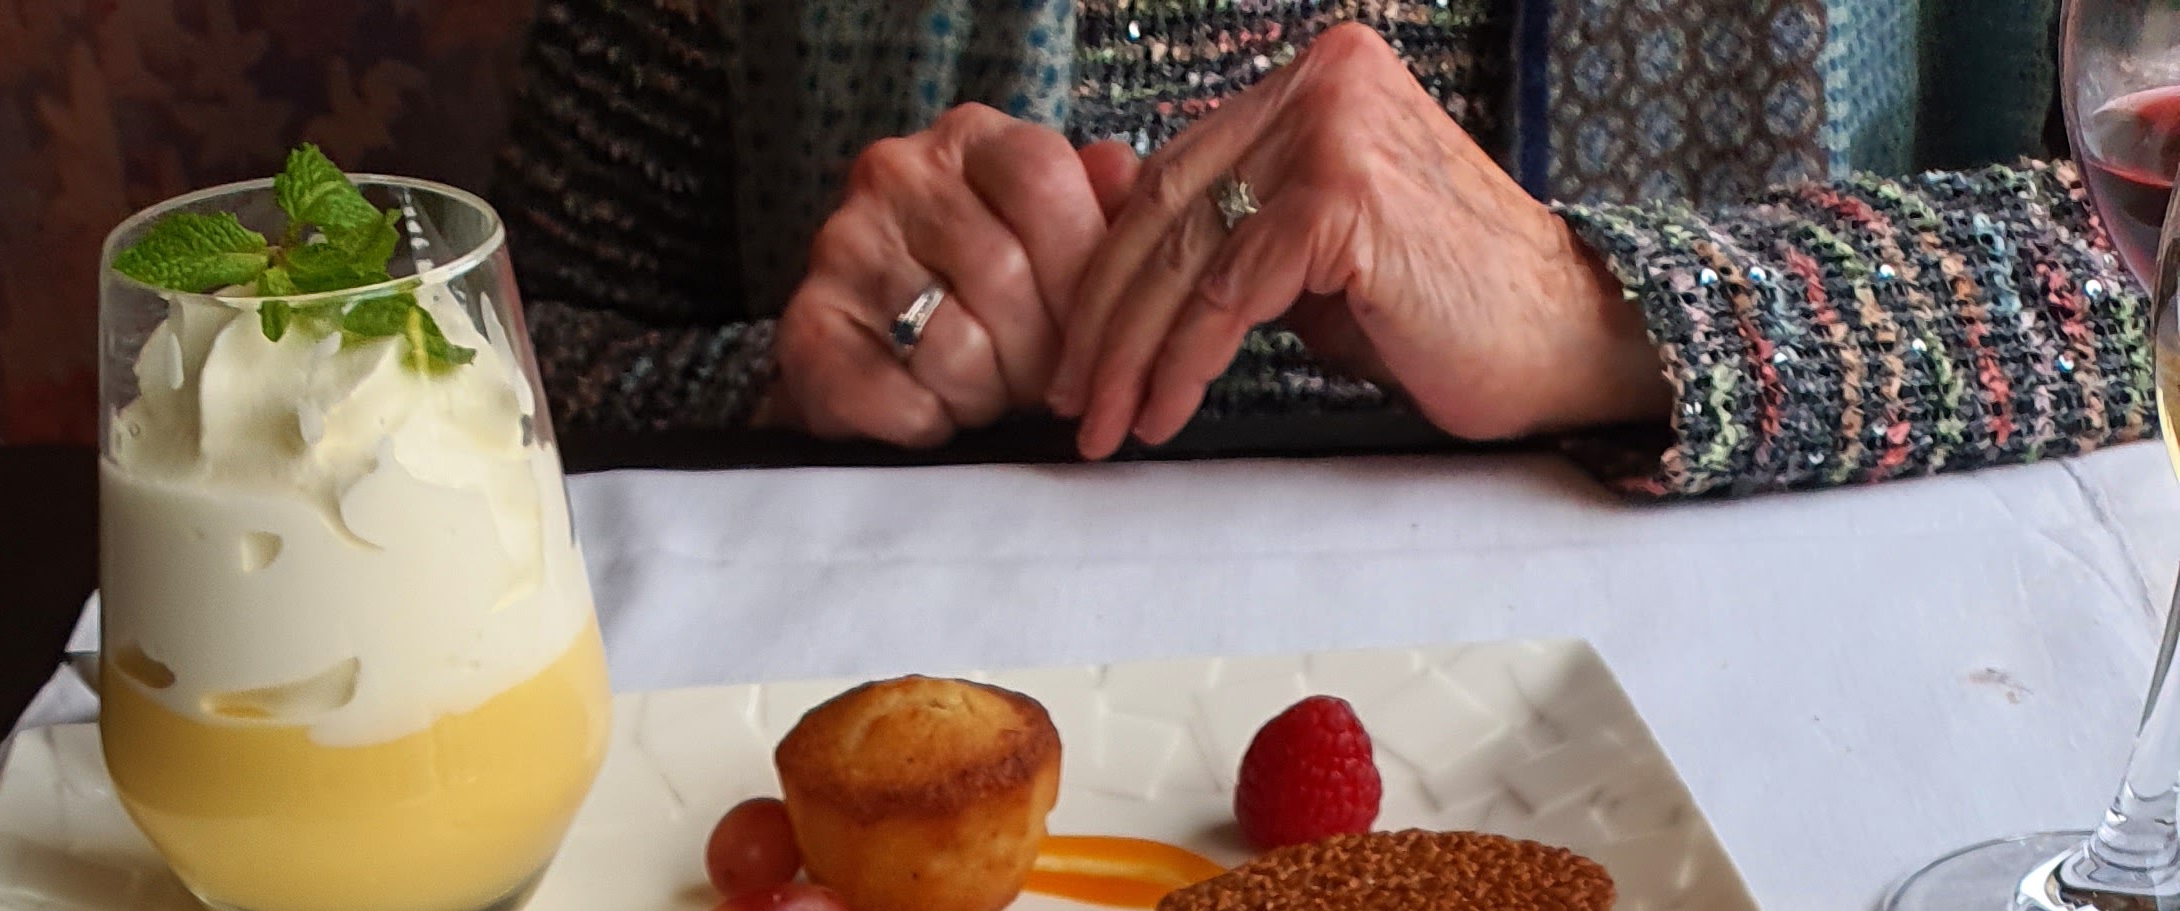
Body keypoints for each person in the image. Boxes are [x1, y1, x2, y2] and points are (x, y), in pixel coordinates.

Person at [495, 0, 2146, 497]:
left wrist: (1595, 309)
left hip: (1772, 800)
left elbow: (2135, 256)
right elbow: (512, 367)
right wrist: (806, 382)